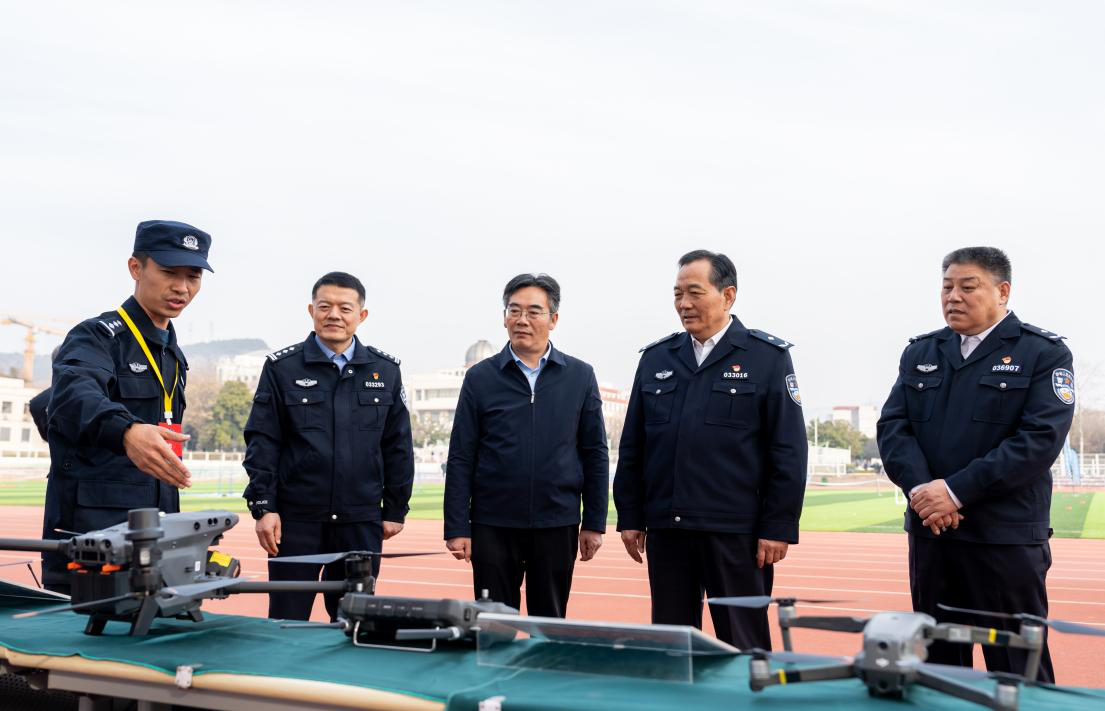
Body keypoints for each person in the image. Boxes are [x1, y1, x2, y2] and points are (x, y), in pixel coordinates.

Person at [876, 247, 1073, 682]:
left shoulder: (1042, 353)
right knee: (938, 668)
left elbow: (1038, 441)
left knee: (1018, 668)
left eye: (968, 287)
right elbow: (893, 428)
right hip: (933, 535)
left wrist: (954, 492)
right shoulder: (921, 352)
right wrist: (923, 492)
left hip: (1003, 539)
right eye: (947, 287)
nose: (953, 297)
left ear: (1002, 292)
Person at [613, 250, 807, 649]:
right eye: (677, 294)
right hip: (669, 530)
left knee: (743, 644)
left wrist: (778, 526)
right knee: (673, 646)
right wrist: (630, 515)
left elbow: (788, 449)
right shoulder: (657, 359)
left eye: (694, 293)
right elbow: (633, 445)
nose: (684, 304)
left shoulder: (766, 358)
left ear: (728, 295)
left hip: (736, 533)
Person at [42, 220, 213, 593]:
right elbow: (73, 396)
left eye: (193, 276)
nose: (182, 287)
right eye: (169, 272)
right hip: (92, 537)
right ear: (136, 268)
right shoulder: (96, 336)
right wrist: (126, 430)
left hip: (154, 533)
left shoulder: (173, 354)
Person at [243, 271, 414, 621]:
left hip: (360, 521)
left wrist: (396, 508)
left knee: (354, 624)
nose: (334, 315)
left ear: (361, 315)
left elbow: (397, 444)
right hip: (296, 522)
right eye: (325, 306)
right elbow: (263, 441)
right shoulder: (281, 368)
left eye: (345, 308)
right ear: (312, 311)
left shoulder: (385, 371)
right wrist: (264, 507)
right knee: (287, 622)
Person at [443, 273, 608, 617]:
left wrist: (594, 522)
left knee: (549, 622)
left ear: (554, 319)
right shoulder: (480, 378)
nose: (522, 320)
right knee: (492, 624)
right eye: (514, 310)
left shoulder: (580, 376)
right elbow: (461, 456)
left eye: (534, 311)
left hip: (557, 522)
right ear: (504, 317)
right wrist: (457, 526)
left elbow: (595, 453)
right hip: (492, 524)